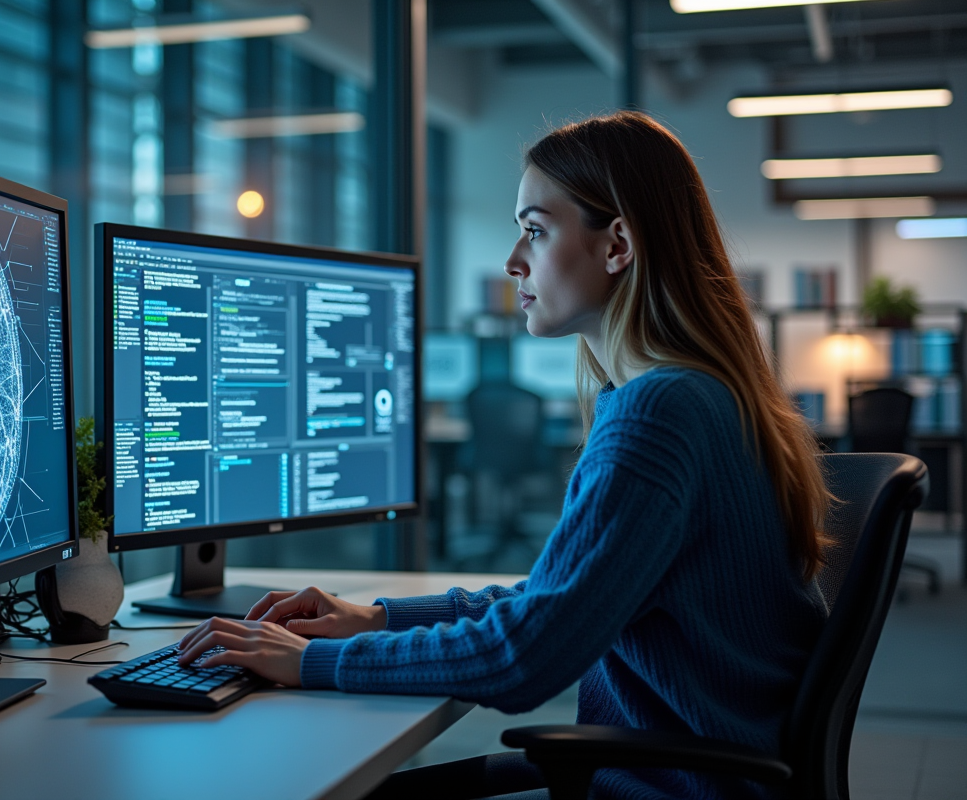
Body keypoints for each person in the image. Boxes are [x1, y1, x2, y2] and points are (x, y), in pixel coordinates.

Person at [176, 111, 830, 800]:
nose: (514, 261)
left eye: (537, 230)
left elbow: (523, 658)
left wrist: (316, 662)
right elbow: (563, 599)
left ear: (617, 246)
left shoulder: (657, 414)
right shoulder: (701, 396)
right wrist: (377, 617)